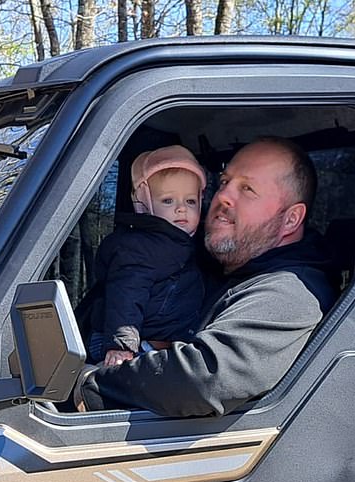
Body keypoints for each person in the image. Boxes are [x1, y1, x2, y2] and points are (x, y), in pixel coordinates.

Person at [76, 137, 336, 416]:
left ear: (291, 219)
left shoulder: (291, 293)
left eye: (247, 188)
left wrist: (92, 384)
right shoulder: (197, 263)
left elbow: (205, 378)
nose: (223, 196)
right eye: (224, 182)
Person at [82, 145, 207, 367]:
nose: (181, 209)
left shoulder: (183, 247)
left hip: (152, 343)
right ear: (143, 203)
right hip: (132, 345)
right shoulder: (141, 247)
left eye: (190, 201)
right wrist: (121, 345)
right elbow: (126, 293)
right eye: (168, 200)